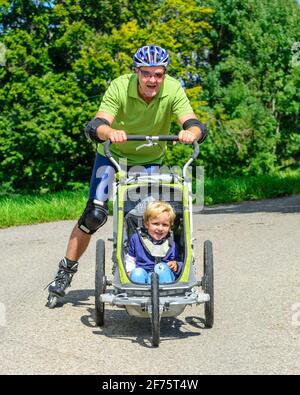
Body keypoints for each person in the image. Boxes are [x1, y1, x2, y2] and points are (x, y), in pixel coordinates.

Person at [47, 44, 207, 300]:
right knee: (94, 215)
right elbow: (96, 124)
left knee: (152, 215)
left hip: (150, 160)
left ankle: (149, 270)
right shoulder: (120, 86)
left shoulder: (174, 88)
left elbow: (194, 123)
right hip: (113, 158)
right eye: (146, 73)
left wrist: (191, 133)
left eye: (158, 74)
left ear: (164, 74)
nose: (152, 80)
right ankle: (65, 271)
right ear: (136, 72)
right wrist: (109, 132)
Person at [126, 201, 183, 284]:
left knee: (161, 268)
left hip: (164, 275)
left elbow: (178, 260)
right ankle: (137, 294)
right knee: (137, 273)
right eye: (156, 224)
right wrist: (129, 271)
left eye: (165, 225)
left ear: (170, 226)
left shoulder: (171, 242)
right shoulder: (136, 239)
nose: (160, 228)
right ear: (146, 224)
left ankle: (166, 294)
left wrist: (175, 264)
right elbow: (130, 259)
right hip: (144, 274)